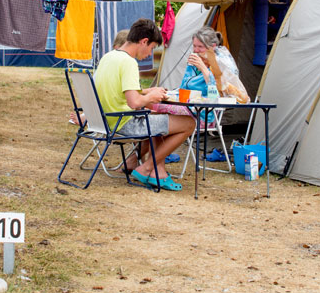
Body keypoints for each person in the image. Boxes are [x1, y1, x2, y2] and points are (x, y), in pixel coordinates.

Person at [94, 18, 195, 191]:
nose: (150, 53)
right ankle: (147, 167)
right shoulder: (129, 62)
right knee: (189, 123)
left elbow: (120, 91)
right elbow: (134, 103)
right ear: (144, 41)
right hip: (124, 124)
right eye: (152, 48)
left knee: (158, 118)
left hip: (106, 120)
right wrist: (151, 97)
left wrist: (147, 92)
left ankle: (157, 170)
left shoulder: (109, 57)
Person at [180, 26, 249, 104]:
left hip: (208, 112)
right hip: (189, 106)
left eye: (200, 46)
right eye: (194, 46)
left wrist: (204, 69)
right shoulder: (194, 64)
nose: (196, 50)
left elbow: (215, 97)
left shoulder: (220, 65)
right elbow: (184, 88)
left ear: (213, 46)